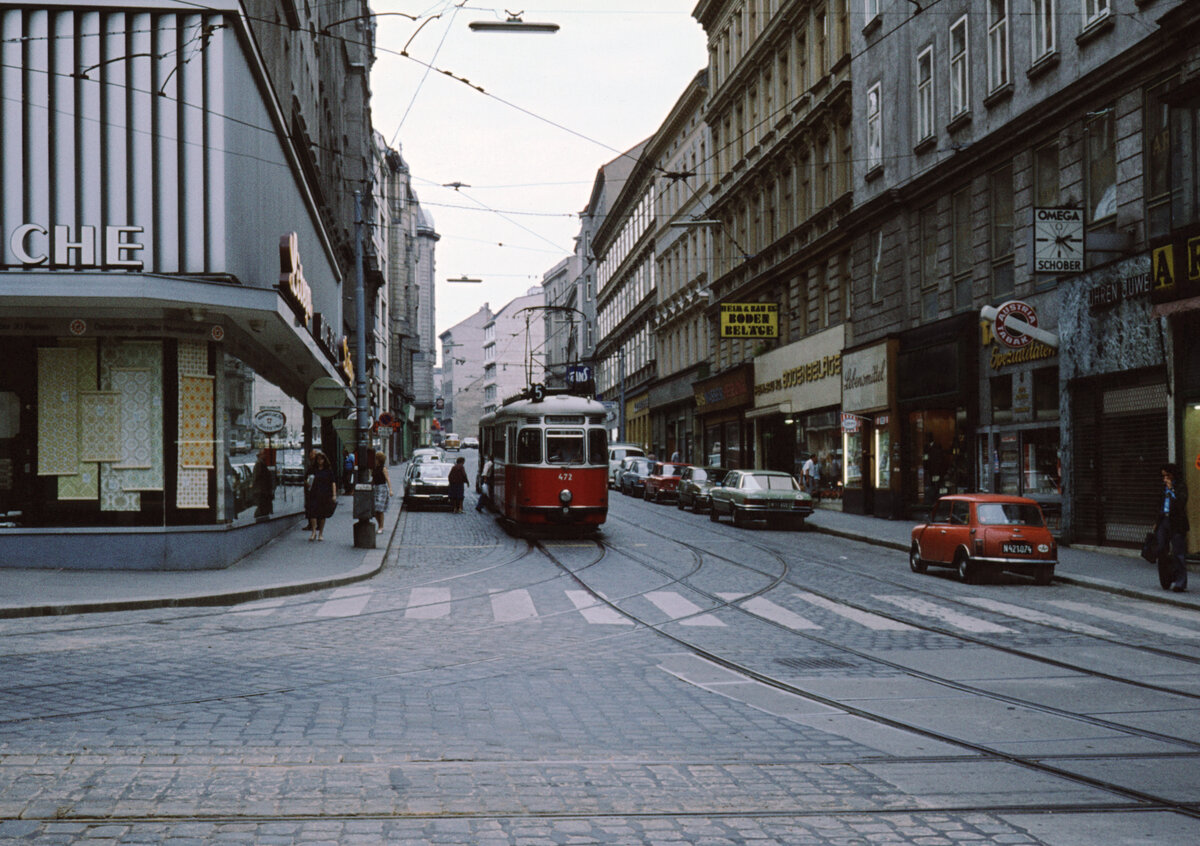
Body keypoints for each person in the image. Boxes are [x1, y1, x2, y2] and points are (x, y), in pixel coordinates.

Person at [1156, 463, 1190, 592]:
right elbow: (1158, 504)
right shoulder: (1162, 488)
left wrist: (1172, 491)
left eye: (1167, 476)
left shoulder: (1180, 487)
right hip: (1163, 520)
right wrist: (1156, 521)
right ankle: (1166, 579)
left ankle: (1180, 583)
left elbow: (1181, 504)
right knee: (1160, 549)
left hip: (1176, 522)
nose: (1165, 479)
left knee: (1178, 552)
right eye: (1163, 476)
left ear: (1173, 475)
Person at [307, 452, 337, 541]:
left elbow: (333, 483)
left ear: (324, 460)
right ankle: (313, 532)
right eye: (318, 459)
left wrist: (334, 495)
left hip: (324, 494)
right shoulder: (312, 469)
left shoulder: (328, 471)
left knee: (322, 514)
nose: (320, 461)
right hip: (314, 493)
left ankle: (320, 533)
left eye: (321, 459)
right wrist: (308, 483)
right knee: (313, 513)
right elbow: (306, 479)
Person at [372, 451, 393, 534]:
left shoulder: (383, 469)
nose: (375, 460)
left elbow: (388, 479)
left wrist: (390, 490)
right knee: (374, 509)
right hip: (375, 488)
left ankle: (381, 527)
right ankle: (379, 525)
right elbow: (373, 479)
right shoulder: (375, 468)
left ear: (379, 460)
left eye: (376, 458)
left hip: (382, 489)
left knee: (379, 509)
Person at [252, 448, 274, 519]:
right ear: (260, 455)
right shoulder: (259, 464)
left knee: (264, 506)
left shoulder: (262, 463)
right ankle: (258, 518)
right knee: (262, 506)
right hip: (261, 490)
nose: (265, 455)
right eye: (264, 454)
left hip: (263, 490)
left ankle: (261, 517)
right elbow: (256, 477)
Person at [302, 449, 320, 533]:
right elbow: (306, 477)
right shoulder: (311, 466)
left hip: (316, 490)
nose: (311, 455)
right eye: (311, 453)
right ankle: (311, 524)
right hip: (310, 489)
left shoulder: (317, 466)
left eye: (313, 454)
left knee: (315, 507)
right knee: (309, 507)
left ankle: (316, 525)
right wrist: (306, 482)